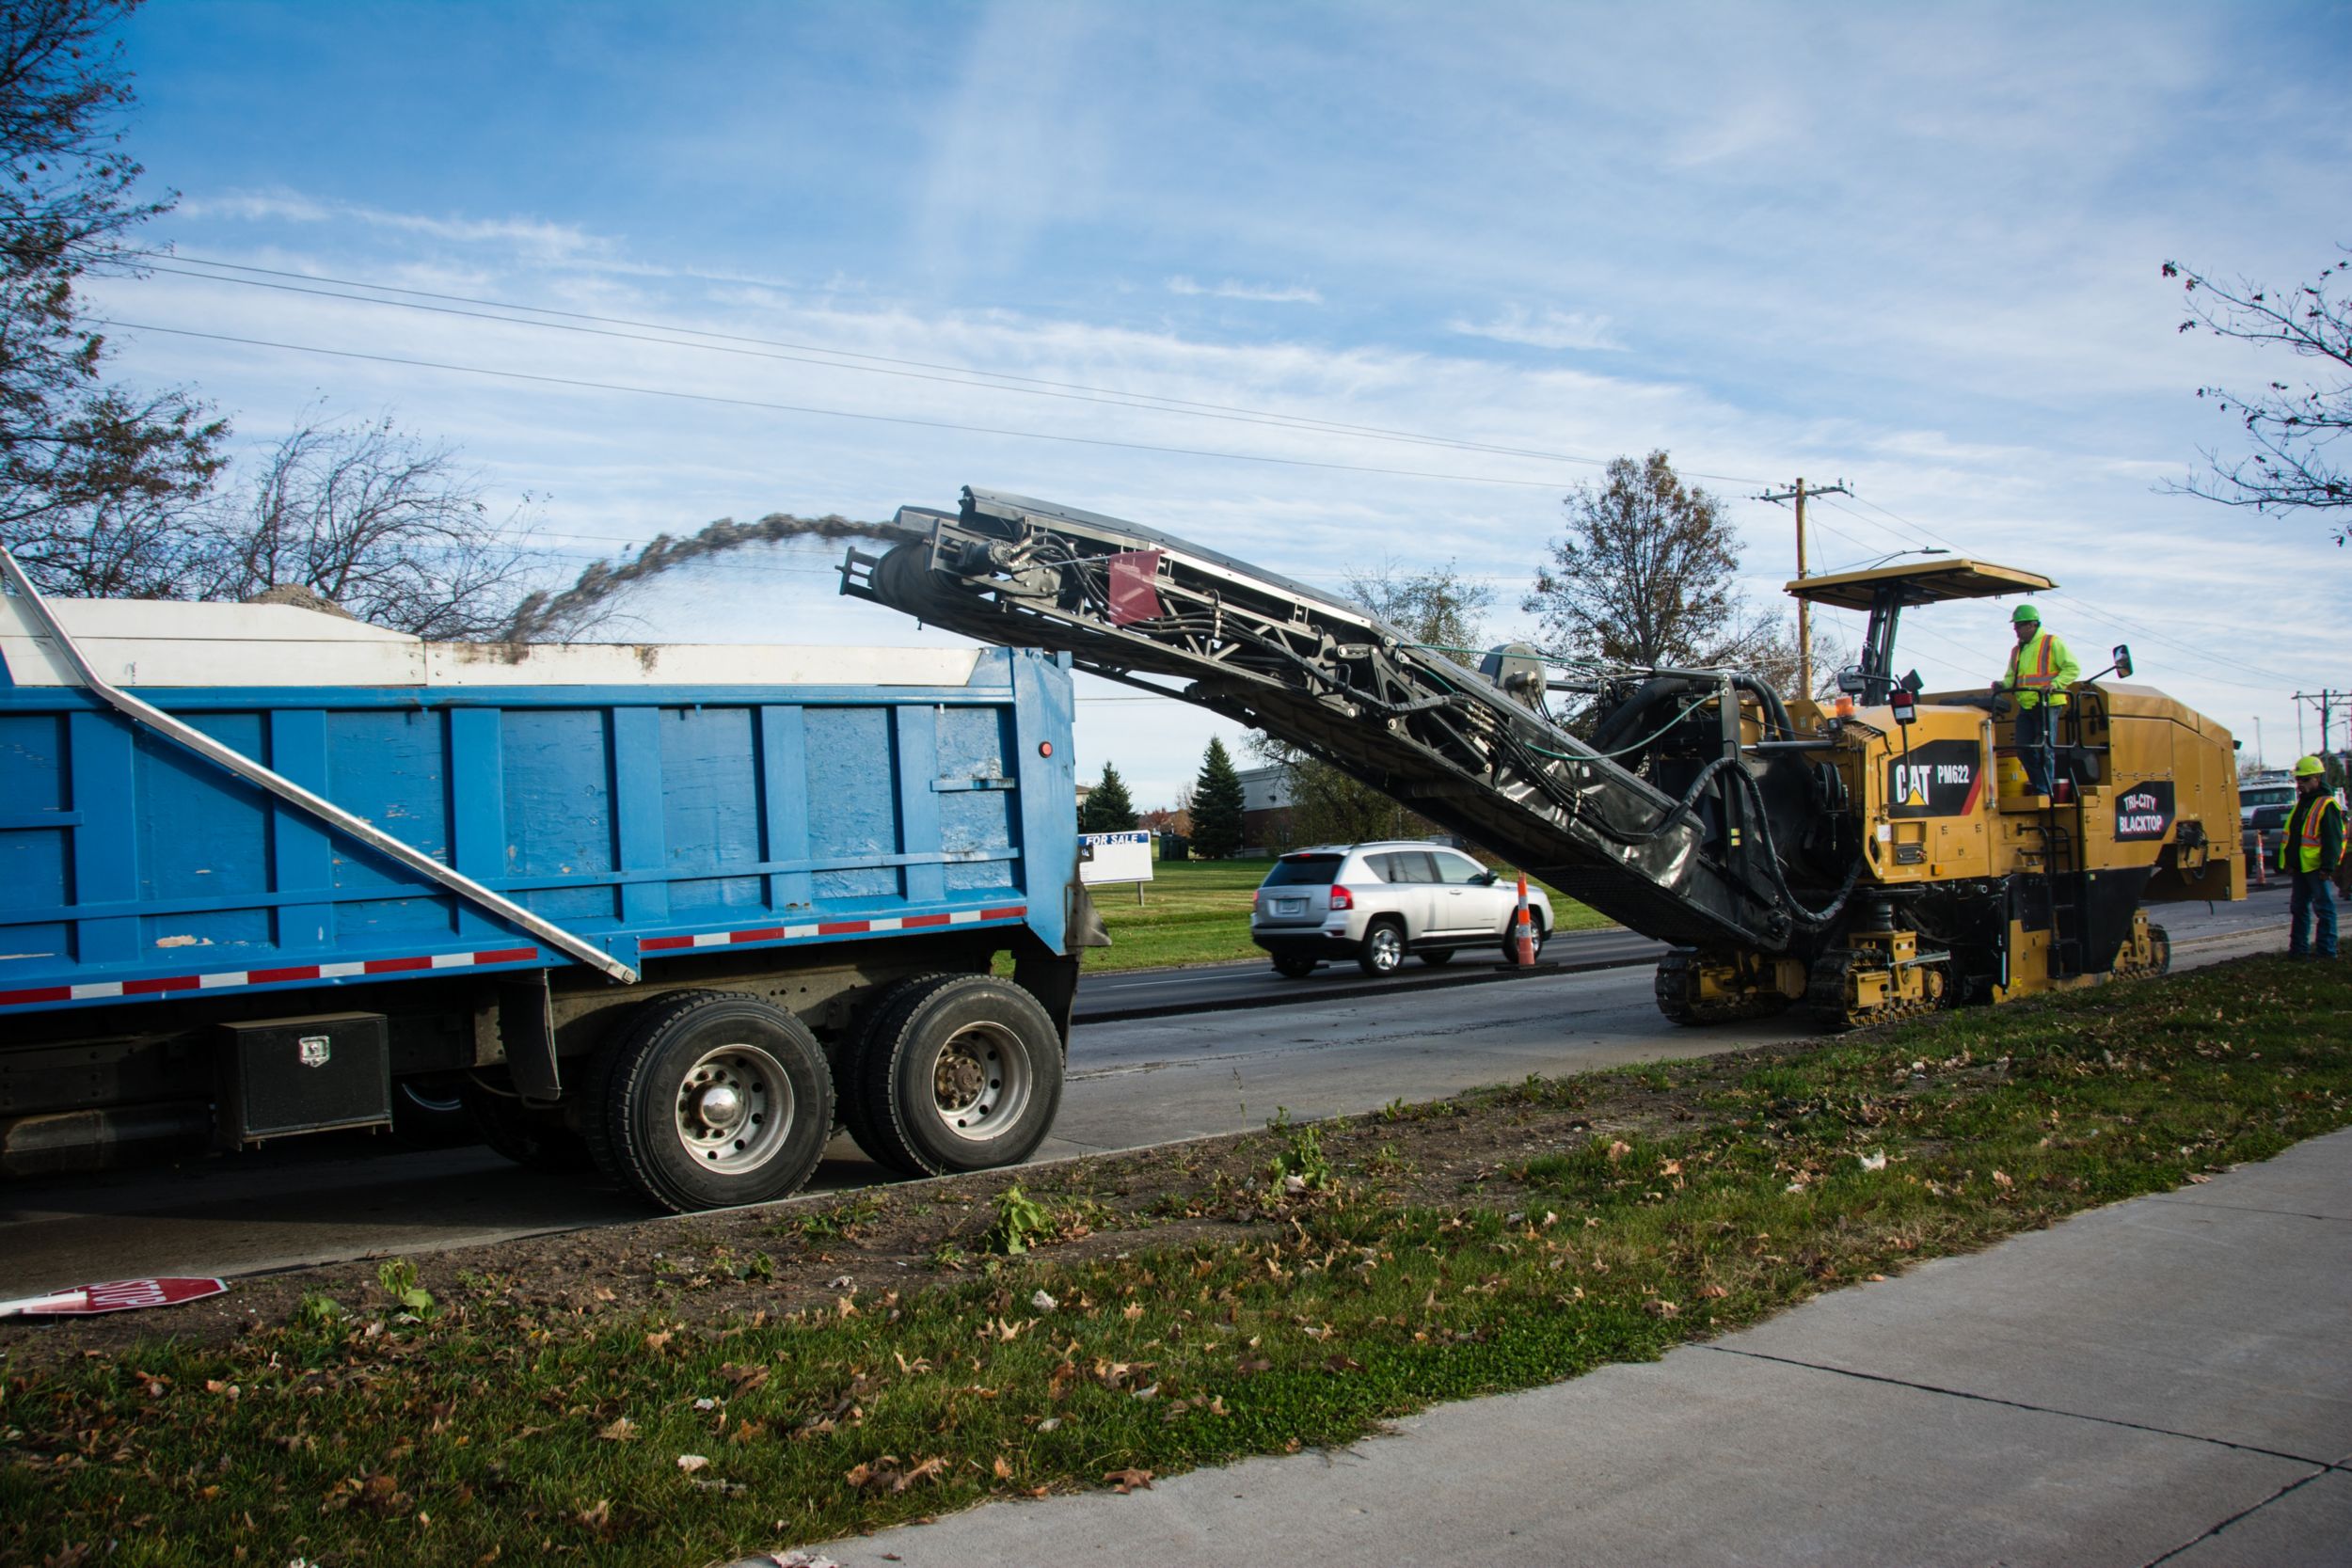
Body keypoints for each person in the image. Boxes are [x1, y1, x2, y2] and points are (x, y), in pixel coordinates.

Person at [1992, 604, 2079, 797]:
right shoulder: (2017, 650)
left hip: (2048, 704)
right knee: (2023, 749)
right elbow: (2011, 677)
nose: (2016, 631)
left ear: (2032, 625)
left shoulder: (2052, 643)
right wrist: (2002, 685)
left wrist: (2056, 684)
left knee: (2044, 749)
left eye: (2018, 627)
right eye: (2015, 627)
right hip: (2026, 704)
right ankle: (2040, 787)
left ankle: (2044, 792)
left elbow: (2072, 668)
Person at [2280, 755, 2342, 959]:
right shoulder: (2303, 804)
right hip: (2301, 867)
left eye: (2305, 780)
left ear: (2317, 778)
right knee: (2299, 909)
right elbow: (2294, 837)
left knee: (2324, 909)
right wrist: (2289, 863)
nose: (2300, 784)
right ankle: (2298, 950)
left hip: (2316, 868)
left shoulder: (2326, 804)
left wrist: (2327, 867)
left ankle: (2326, 952)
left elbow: (2333, 839)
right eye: (2298, 780)